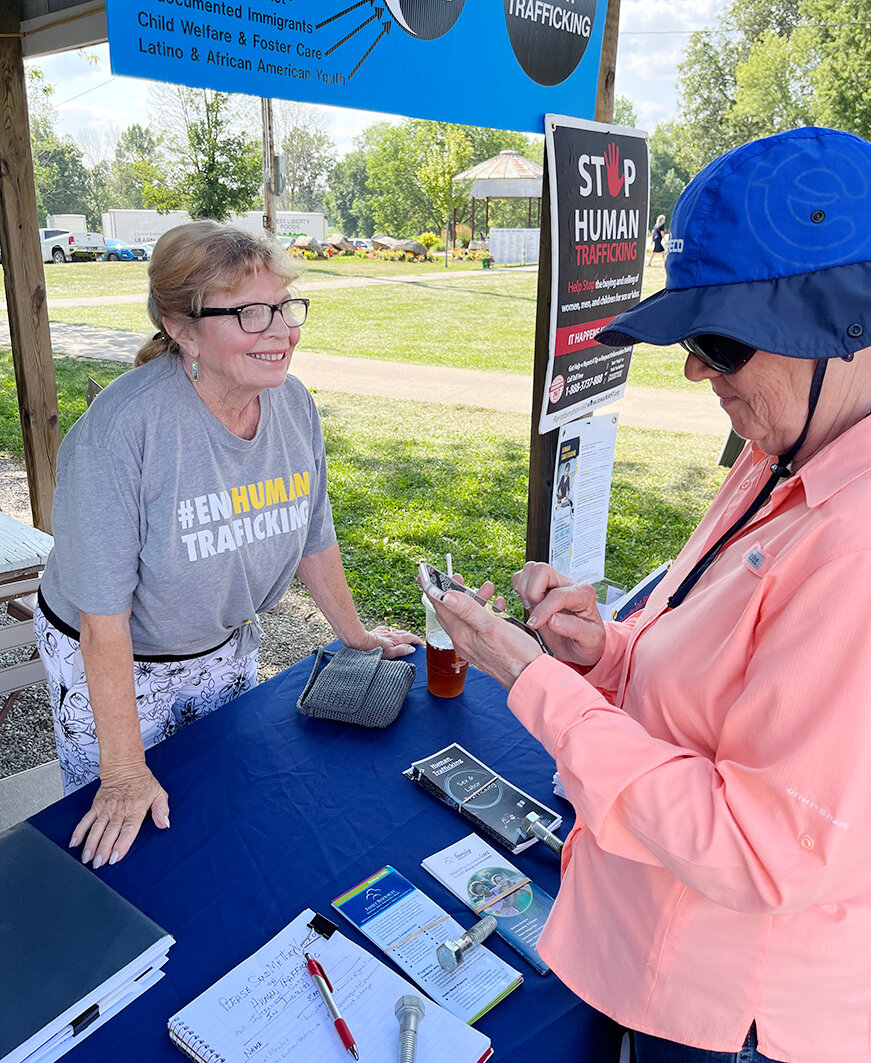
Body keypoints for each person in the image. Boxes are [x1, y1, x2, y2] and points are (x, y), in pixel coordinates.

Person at [426, 128, 871, 1062]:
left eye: (717, 339)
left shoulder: (855, 543)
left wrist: (527, 679)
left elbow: (757, 847)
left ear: (840, 326)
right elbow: (710, 673)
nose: (693, 369)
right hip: (656, 948)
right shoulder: (781, 450)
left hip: (735, 1011)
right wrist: (606, 653)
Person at [35, 220, 421, 870]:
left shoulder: (293, 405)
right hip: (111, 657)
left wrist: (354, 634)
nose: (279, 330)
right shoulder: (123, 432)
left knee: (223, 799)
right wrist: (124, 768)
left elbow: (313, 535)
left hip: (221, 640)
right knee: (133, 840)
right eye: (248, 312)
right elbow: (104, 620)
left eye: (283, 307)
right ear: (183, 328)